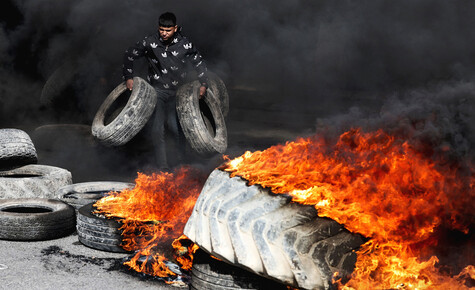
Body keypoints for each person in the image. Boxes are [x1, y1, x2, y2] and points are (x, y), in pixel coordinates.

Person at [122, 12, 209, 171]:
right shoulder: (150, 42)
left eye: (168, 30)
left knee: (176, 128)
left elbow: (200, 64)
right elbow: (129, 54)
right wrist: (129, 77)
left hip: (178, 93)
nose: (164, 33)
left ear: (175, 28)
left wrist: (203, 84)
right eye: (161, 29)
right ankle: (163, 167)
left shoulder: (185, 45)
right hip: (158, 92)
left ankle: (182, 165)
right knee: (157, 130)